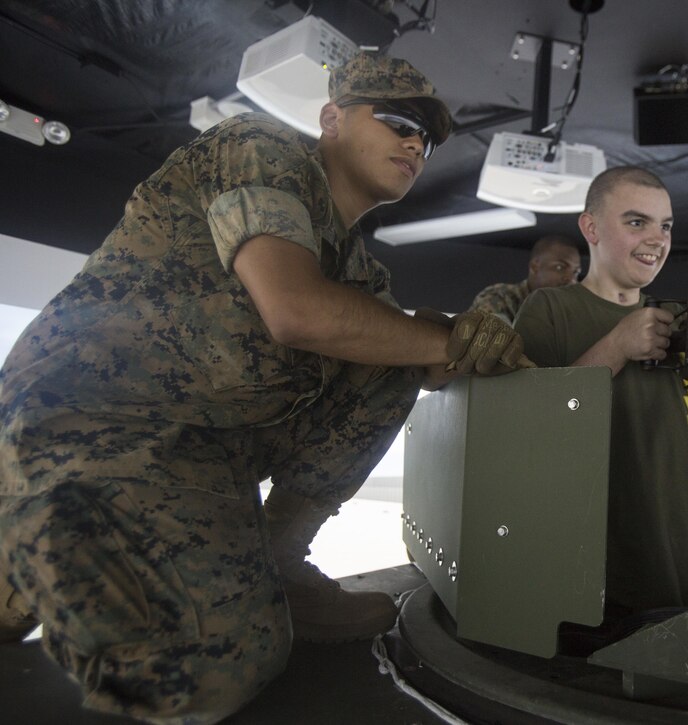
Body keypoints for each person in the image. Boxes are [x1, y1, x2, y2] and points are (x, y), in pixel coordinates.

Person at [0, 52, 530, 722]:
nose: (414, 142)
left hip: (194, 454)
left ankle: (280, 556)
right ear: (331, 119)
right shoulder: (263, 150)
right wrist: (443, 337)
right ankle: (26, 545)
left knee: (393, 350)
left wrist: (462, 341)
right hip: (85, 422)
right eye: (396, 120)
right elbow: (295, 309)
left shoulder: (362, 277)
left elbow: (405, 352)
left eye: (425, 137)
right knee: (204, 676)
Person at [515, 166, 688, 619]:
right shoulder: (551, 309)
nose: (657, 239)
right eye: (637, 222)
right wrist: (618, 345)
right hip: (602, 556)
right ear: (590, 228)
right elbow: (533, 427)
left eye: (666, 225)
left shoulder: (678, 316)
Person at [469, 234, 582, 324]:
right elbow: (495, 346)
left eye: (575, 272)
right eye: (560, 267)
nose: (571, 279)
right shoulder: (500, 297)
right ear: (535, 267)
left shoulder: (566, 313)